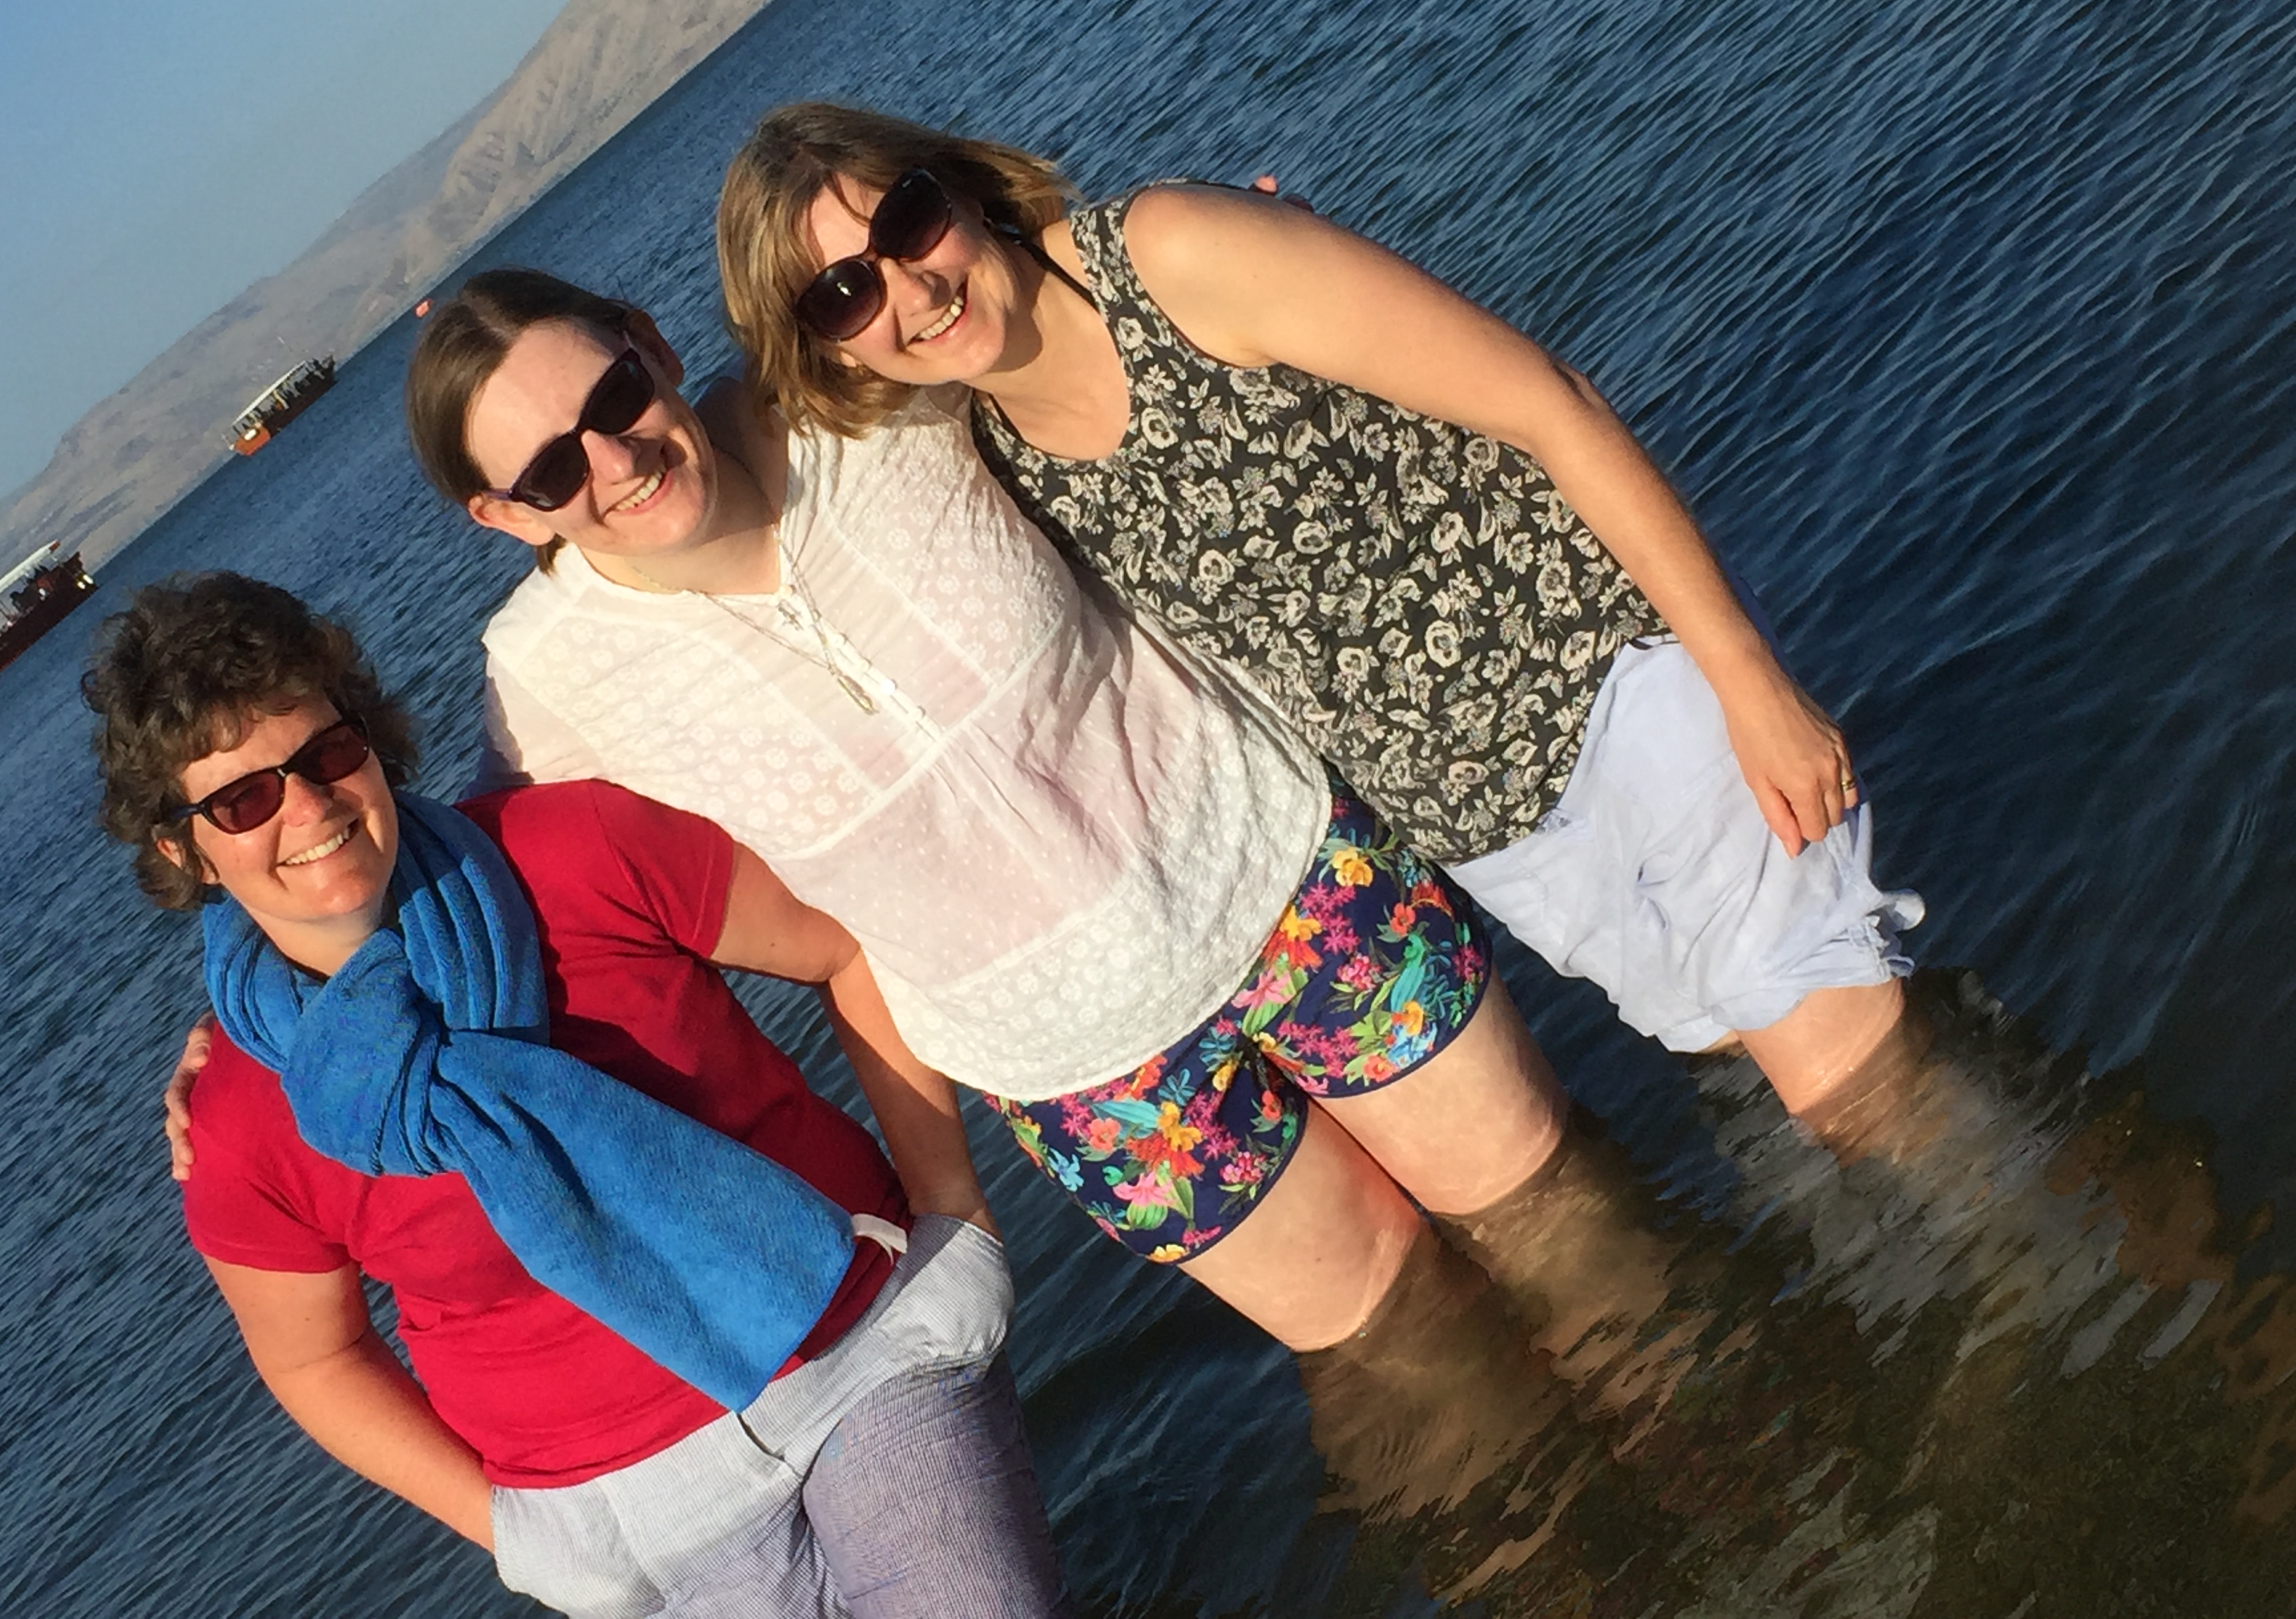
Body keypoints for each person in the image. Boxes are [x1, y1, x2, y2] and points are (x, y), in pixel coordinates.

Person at [381, 265, 1615, 1359]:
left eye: (615, 398)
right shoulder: (546, 679)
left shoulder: (852, 402)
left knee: (1584, 1250)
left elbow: (1065, 327)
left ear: (648, 341)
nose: (615, 460)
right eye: (552, 470)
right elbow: (448, 883)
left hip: (1287, 880)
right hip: (1087, 1073)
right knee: (1419, 1365)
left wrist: (1253, 276)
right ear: (507, 516)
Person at [713, 103, 1925, 1132]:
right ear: (831, 347)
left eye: (910, 221)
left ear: (963, 191)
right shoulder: (994, 457)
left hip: (1618, 687)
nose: (913, 286)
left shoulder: (1172, 254)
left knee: (1867, 1109)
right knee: (1794, 1096)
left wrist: (1748, 685)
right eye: (845, 292)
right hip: (1494, 837)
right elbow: (753, 439)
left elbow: (1552, 404)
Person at [91, 572, 1069, 1619]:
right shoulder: (240, 1119)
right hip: (630, 1517)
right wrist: (518, 1536)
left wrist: (952, 1203)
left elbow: (844, 946)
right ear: (184, 848)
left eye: (327, 753)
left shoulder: (568, 851)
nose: (310, 806)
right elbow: (316, 1357)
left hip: (858, 1347)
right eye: (243, 801)